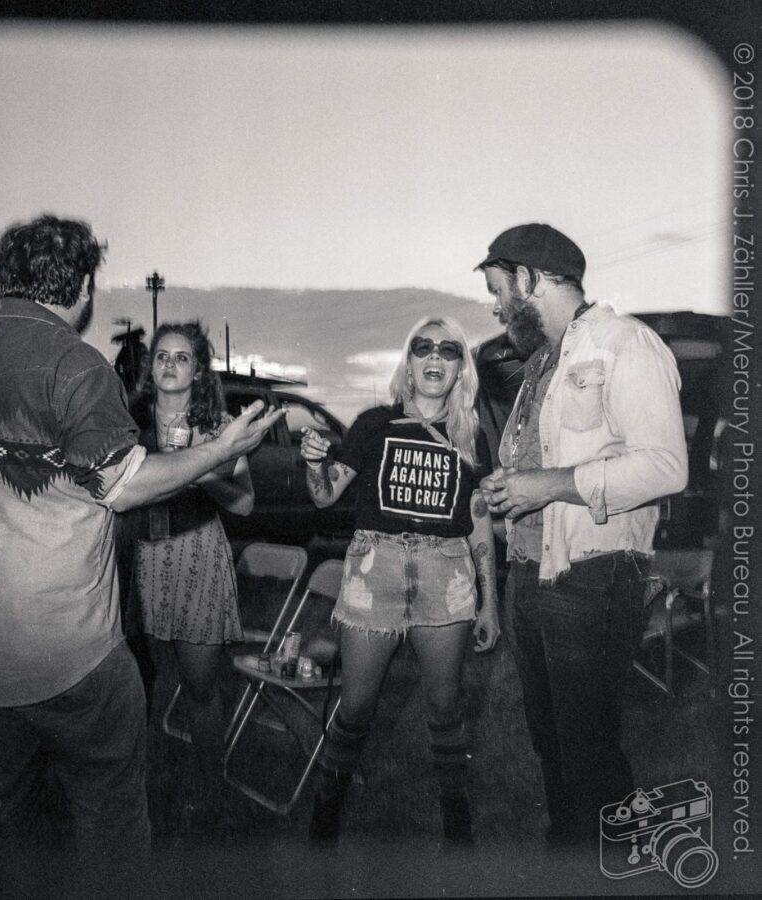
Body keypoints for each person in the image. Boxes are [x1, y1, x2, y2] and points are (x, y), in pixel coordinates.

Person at [0, 215, 282, 891]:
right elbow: (127, 488)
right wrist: (222, 451)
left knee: (1, 836)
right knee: (108, 839)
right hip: (72, 660)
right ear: (80, 288)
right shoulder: (75, 367)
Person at [475, 223, 688, 844]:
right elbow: (540, 462)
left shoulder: (628, 345)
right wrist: (509, 489)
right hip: (530, 575)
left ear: (532, 279)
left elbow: (665, 465)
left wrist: (545, 486)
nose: (494, 306)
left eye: (498, 289)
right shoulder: (541, 362)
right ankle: (567, 856)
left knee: (589, 753)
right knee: (550, 745)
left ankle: (613, 868)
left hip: (591, 576)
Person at [300, 315, 501, 847]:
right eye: (423, 347)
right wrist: (314, 463)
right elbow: (324, 496)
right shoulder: (372, 425)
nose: (435, 358)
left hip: (447, 573)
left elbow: (479, 518)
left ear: (461, 368)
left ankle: (456, 826)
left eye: (448, 350)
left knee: (445, 708)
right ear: (408, 363)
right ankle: (326, 817)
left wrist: (490, 604)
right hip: (375, 572)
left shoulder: (472, 435)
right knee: (357, 706)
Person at [125, 320, 253, 782]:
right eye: (162, 356)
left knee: (200, 687)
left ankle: (209, 787)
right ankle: (136, 783)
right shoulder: (128, 423)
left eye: (182, 357)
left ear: (199, 371)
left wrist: (205, 467)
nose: (170, 364)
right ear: (150, 367)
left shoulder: (217, 428)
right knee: (134, 685)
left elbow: (245, 504)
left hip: (197, 556)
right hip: (138, 558)